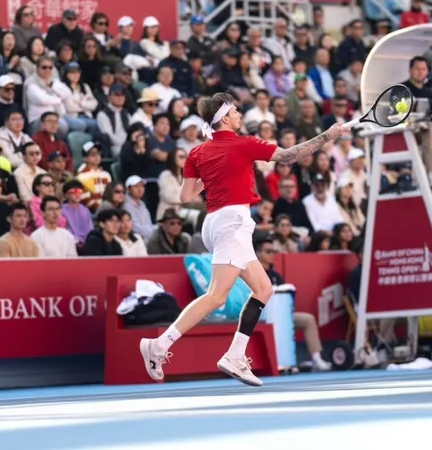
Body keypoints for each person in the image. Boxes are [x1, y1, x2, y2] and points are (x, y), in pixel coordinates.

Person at [139, 92, 346, 387]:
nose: (239, 115)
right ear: (224, 118)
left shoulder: (197, 152)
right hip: (232, 223)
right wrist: (329, 135)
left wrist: (215, 175)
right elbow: (289, 155)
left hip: (214, 223)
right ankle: (158, 346)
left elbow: (186, 196)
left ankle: (235, 354)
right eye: (235, 111)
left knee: (263, 289)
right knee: (216, 296)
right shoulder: (244, 144)